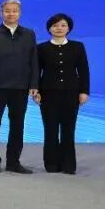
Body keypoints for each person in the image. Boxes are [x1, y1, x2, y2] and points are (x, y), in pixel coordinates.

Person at [0, 0, 39, 174]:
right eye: (7, 10)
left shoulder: (29, 34)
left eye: (15, 11)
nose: (11, 14)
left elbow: (34, 61)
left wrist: (34, 84)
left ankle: (14, 162)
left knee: (17, 125)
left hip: (21, 87)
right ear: (1, 13)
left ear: (19, 13)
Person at [37, 13, 90, 175]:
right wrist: (36, 91)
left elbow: (84, 70)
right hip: (48, 94)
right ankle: (51, 164)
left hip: (71, 94)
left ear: (68, 28)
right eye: (55, 25)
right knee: (50, 130)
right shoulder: (41, 48)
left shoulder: (78, 47)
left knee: (68, 130)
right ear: (49, 29)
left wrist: (84, 91)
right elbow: (36, 71)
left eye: (63, 25)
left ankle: (68, 165)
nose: (59, 28)